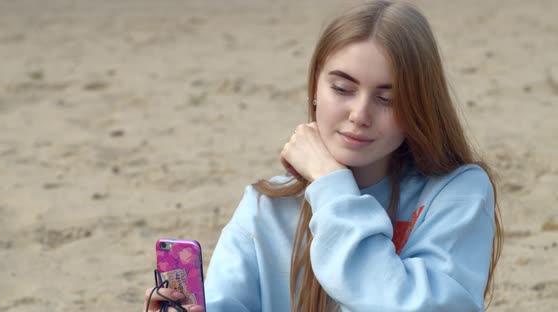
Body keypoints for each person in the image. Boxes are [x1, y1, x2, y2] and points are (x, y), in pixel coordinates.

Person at [144, 0, 503, 311]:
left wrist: (331, 185)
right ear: (315, 87)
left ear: (419, 104)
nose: (360, 114)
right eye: (342, 88)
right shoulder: (265, 205)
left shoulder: (458, 192)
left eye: (387, 98)